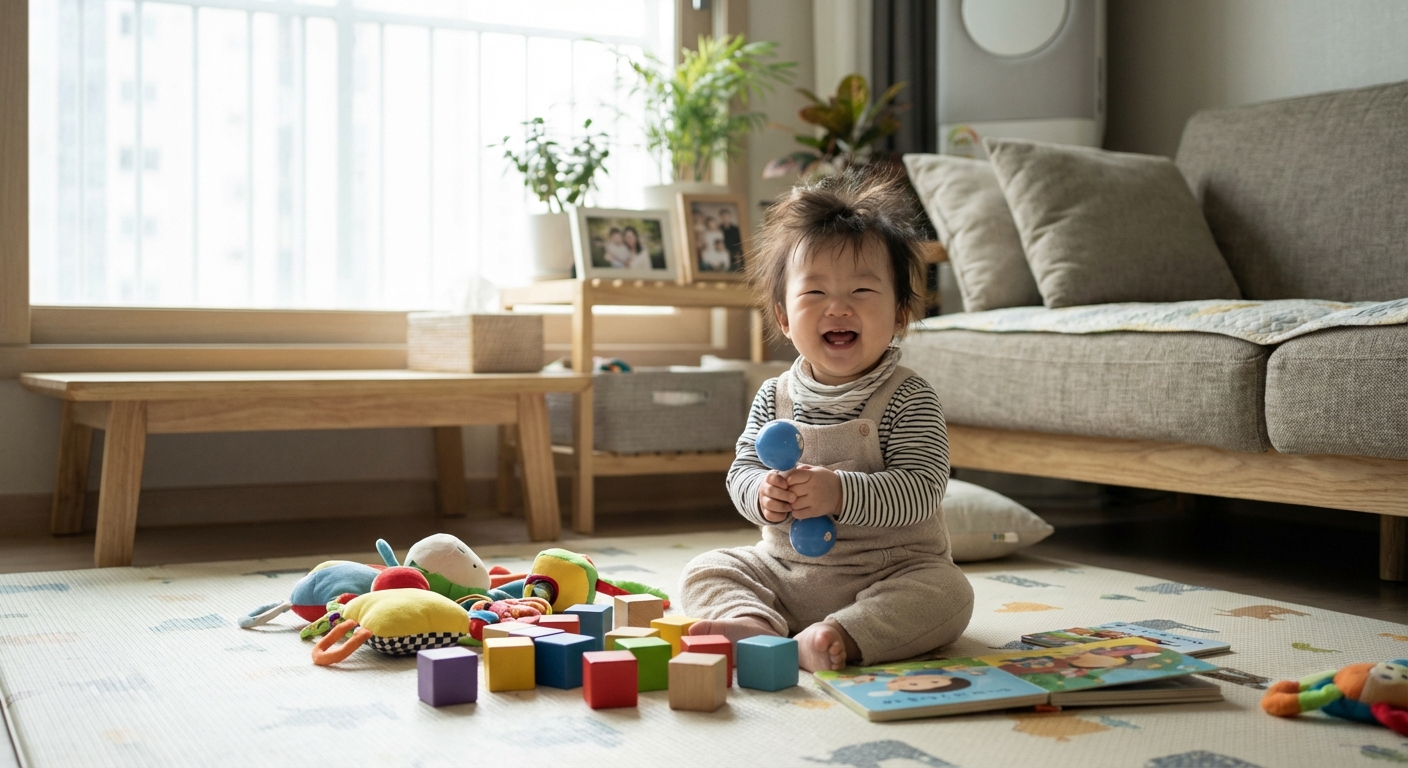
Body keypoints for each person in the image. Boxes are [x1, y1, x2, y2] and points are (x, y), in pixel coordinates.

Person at [679, 169, 973, 673]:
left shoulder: (907, 396)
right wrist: (763, 494)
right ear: (784, 318)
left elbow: (923, 488)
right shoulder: (775, 396)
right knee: (704, 570)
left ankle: (839, 636)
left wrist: (840, 493)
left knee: (950, 594)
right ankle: (755, 624)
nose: (837, 307)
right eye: (814, 294)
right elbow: (742, 470)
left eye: (862, 290)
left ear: (901, 313)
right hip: (785, 572)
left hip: (889, 572)